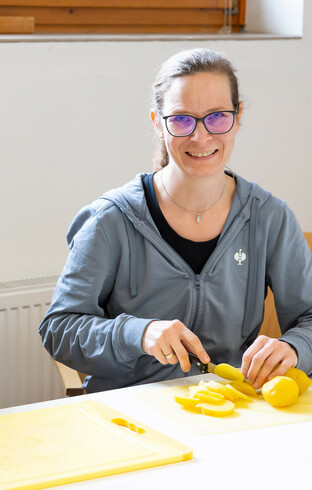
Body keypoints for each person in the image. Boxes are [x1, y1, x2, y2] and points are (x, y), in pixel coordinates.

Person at [39, 48, 312, 394]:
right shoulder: (110, 219)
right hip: (128, 414)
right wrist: (138, 333)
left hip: (230, 412)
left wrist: (293, 347)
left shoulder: (270, 218)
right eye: (182, 119)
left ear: (238, 116)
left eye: (217, 117)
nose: (200, 137)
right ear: (157, 122)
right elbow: (59, 329)